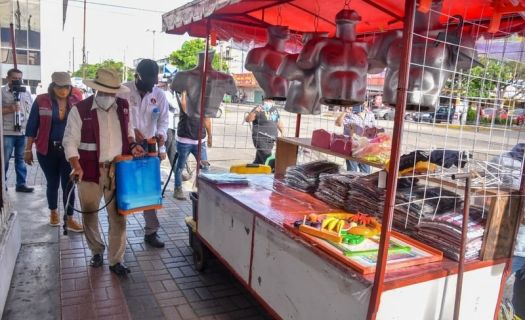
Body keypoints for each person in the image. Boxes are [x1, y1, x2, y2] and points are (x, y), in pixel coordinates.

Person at [63, 68, 145, 276]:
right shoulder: (80, 110)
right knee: (90, 214)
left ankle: (116, 260)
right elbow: (69, 141)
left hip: (117, 171)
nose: (110, 97)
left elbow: (128, 132)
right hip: (88, 171)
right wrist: (76, 165)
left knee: (119, 217)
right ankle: (96, 250)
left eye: (113, 93)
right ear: (97, 90)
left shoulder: (124, 107)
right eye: (106, 92)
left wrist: (133, 145)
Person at [118, 59, 168, 249]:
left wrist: (161, 136)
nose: (152, 86)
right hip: (125, 148)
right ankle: (119, 234)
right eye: (148, 81)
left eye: (154, 81)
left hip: (150, 148)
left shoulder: (159, 94)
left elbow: (163, 120)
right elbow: (119, 119)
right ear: (138, 76)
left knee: (150, 188)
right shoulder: (123, 91)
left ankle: (151, 232)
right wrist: (132, 133)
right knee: (125, 187)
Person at [24, 72, 83, 232]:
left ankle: (69, 218)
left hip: (69, 151)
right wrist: (28, 149)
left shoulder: (76, 101)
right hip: (46, 149)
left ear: (71, 87)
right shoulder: (41, 100)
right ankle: (53, 213)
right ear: (53, 86)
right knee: (52, 183)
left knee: (69, 184)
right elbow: (32, 126)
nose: (63, 90)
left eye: (66, 87)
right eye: (59, 87)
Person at [171, 90, 211, 200]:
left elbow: (207, 120)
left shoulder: (203, 104)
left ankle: (203, 190)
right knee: (180, 167)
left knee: (205, 167)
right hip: (184, 141)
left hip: (200, 141)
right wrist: (184, 92)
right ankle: (178, 188)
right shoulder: (185, 100)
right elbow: (184, 107)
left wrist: (210, 136)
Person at [1, 68, 34, 192]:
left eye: (19, 78)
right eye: (14, 78)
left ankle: (21, 184)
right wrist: (9, 109)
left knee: (20, 159)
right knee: (4, 159)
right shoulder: (2, 92)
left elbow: (30, 110)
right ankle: (2, 184)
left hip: (23, 132)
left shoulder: (25, 93)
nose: (17, 81)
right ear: (8, 78)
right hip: (7, 132)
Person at [335, 102, 376, 173]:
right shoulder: (350, 115)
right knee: (352, 173)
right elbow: (338, 123)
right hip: (352, 148)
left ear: (365, 103)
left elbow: (373, 129)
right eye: (357, 104)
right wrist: (345, 112)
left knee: (366, 173)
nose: (359, 106)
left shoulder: (370, 115)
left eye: (362, 103)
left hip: (365, 149)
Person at [244, 98, 283, 165]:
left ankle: (253, 170)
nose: (269, 101)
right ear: (263, 99)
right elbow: (248, 119)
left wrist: (282, 132)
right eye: (267, 99)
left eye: (271, 99)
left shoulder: (274, 109)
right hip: (261, 138)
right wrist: (255, 111)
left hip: (271, 139)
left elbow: (278, 121)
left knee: (258, 161)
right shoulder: (258, 108)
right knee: (267, 159)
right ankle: (271, 172)